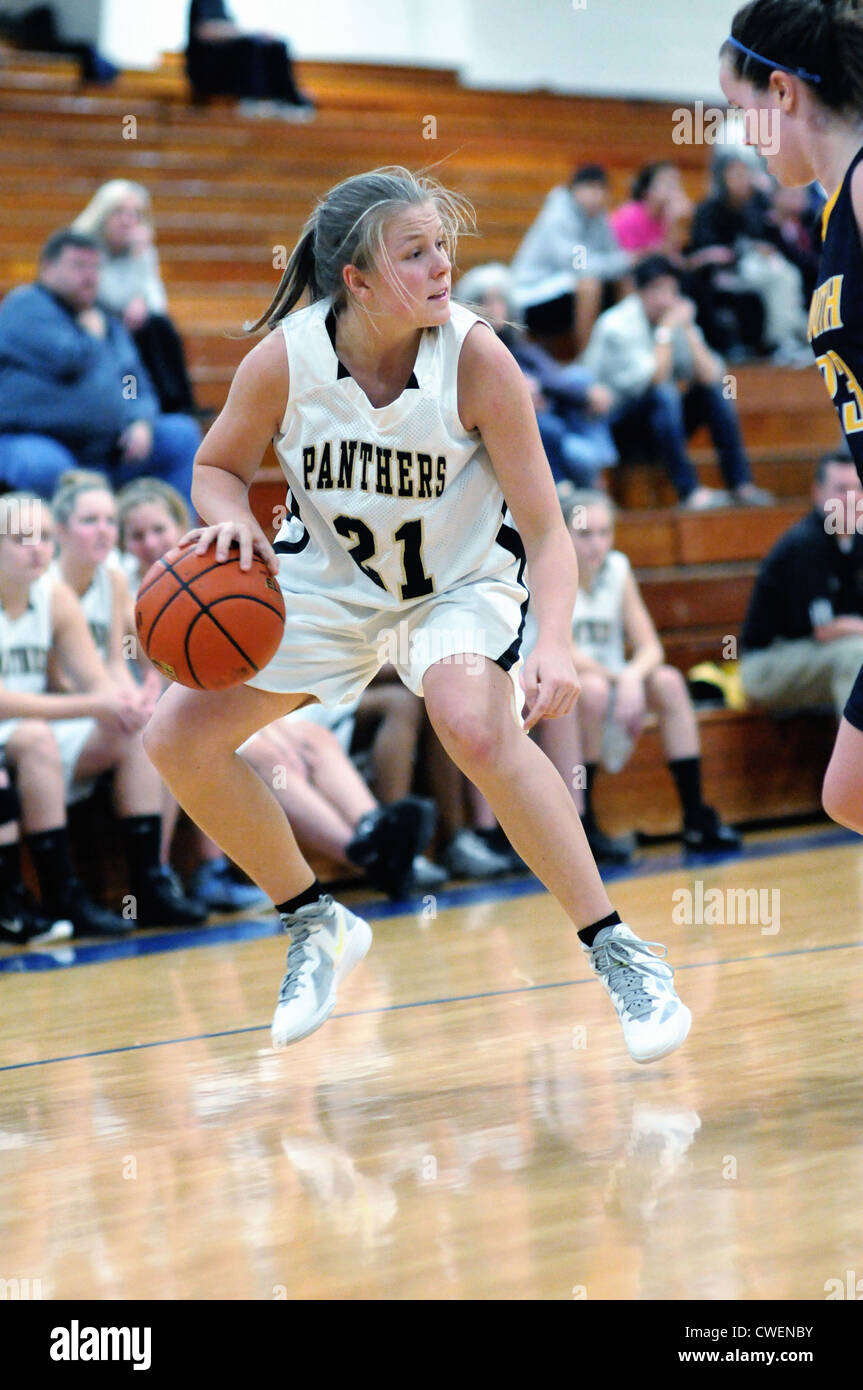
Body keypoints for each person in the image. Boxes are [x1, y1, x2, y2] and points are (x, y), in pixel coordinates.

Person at [142, 165, 691, 1066]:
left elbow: (549, 533)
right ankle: (313, 921)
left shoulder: (476, 359)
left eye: (443, 246)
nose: (442, 267)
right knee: (175, 739)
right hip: (326, 582)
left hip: (456, 585)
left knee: (473, 723)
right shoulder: (285, 360)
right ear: (354, 281)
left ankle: (617, 949)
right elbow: (215, 470)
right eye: (415, 253)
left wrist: (551, 642)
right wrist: (233, 526)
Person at [118, 478, 440, 902]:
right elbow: (167, 687)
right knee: (267, 752)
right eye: (137, 535)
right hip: (174, 713)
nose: (148, 543)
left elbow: (243, 659)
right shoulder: (131, 595)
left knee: (313, 739)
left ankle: (375, 831)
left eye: (157, 530)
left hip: (227, 699)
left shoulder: (211, 570)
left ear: (180, 525)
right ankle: (365, 854)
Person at [719, 0, 863, 832]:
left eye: (742, 113)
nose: (744, 135)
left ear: (780, 91)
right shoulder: (827, 214)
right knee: (847, 793)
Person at [0, 492, 202, 937]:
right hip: (22, 728)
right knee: (36, 737)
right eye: (21, 539)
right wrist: (94, 705)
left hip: (36, 726)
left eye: (46, 538)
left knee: (138, 732)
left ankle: (149, 883)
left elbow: (96, 677)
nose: (38, 549)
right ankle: (60, 895)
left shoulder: (51, 595)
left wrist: (125, 705)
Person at [533, 489, 741, 863]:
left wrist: (630, 677)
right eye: (585, 534)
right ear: (563, 534)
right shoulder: (547, 571)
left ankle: (695, 816)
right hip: (565, 688)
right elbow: (565, 651)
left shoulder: (618, 569)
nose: (596, 544)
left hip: (612, 683)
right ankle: (584, 823)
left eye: (604, 533)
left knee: (670, 682)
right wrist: (620, 680)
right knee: (591, 690)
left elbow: (651, 647)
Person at [0, 230, 201, 511]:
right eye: (78, 266)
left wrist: (139, 419)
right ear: (47, 268)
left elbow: (132, 379)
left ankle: (175, 546)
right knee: (44, 468)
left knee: (180, 435)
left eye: (95, 267)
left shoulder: (104, 321)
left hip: (108, 450)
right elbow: (66, 358)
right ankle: (61, 553)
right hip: (36, 439)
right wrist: (94, 336)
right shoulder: (25, 307)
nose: (90, 276)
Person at [582, 254, 772, 508]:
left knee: (713, 392)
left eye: (672, 290)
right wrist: (666, 331)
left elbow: (711, 375)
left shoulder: (675, 321)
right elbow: (654, 378)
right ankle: (690, 492)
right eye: (658, 289)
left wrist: (690, 331)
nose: (666, 298)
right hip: (615, 427)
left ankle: (741, 484)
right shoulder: (616, 325)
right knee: (665, 393)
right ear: (639, 292)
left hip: (659, 421)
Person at [455, 262, 618, 488]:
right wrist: (521, 391)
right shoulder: (471, 348)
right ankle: (572, 483)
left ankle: (600, 464)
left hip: (550, 417)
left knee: (580, 378)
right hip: (511, 426)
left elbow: (550, 377)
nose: (494, 308)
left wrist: (579, 393)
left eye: (499, 300)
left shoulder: (517, 344)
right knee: (564, 438)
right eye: (486, 301)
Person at [739, 449, 863, 717]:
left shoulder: (856, 541)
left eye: (858, 488)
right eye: (842, 489)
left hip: (816, 655)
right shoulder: (806, 544)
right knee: (857, 655)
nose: (852, 499)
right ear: (818, 493)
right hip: (768, 663)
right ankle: (855, 758)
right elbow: (826, 629)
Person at [72, 181, 198, 416]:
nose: (128, 220)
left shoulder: (140, 249)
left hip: (129, 323)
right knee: (147, 328)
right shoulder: (83, 244)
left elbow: (157, 302)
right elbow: (106, 296)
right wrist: (137, 281)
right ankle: (162, 405)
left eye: (135, 214)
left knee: (160, 325)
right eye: (119, 212)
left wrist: (140, 292)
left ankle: (180, 403)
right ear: (103, 213)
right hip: (91, 322)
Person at [690, 151, 811, 362]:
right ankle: (783, 338)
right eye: (735, 175)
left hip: (748, 269)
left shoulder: (754, 207)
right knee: (780, 276)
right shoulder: (707, 209)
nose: (742, 181)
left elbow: (764, 240)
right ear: (722, 178)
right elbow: (706, 249)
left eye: (746, 174)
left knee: (784, 271)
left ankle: (789, 334)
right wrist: (742, 252)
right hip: (719, 273)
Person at [509, 165, 632, 352]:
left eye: (601, 189)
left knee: (626, 280)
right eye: (591, 188)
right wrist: (626, 260)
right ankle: (588, 359)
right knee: (589, 286)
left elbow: (613, 255)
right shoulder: (558, 217)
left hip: (563, 290)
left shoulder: (599, 218)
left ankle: (623, 352)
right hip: (532, 293)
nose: (596, 195)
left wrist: (626, 262)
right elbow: (580, 265)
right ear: (575, 189)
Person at [186, 0, 315, 120]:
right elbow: (205, 31)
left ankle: (288, 98)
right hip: (207, 72)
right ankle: (253, 100)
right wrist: (249, 33)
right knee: (251, 43)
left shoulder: (220, 5)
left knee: (275, 45)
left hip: (224, 68)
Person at [610, 162, 692, 259]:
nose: (674, 189)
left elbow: (675, 257)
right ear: (647, 190)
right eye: (667, 183)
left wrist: (678, 222)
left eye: (677, 183)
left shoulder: (672, 215)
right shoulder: (628, 216)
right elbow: (629, 259)